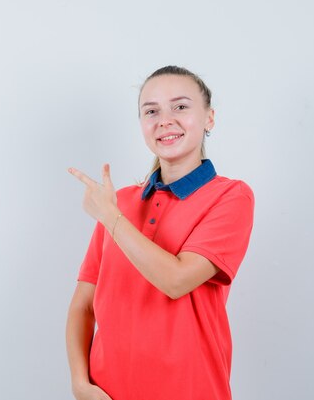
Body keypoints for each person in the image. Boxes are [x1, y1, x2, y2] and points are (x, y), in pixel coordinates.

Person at [66, 65, 255, 400]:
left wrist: (110, 218)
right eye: (151, 111)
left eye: (180, 107)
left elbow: (176, 280)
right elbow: (83, 304)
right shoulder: (120, 201)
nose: (164, 120)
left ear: (209, 118)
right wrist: (81, 384)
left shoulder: (231, 196)